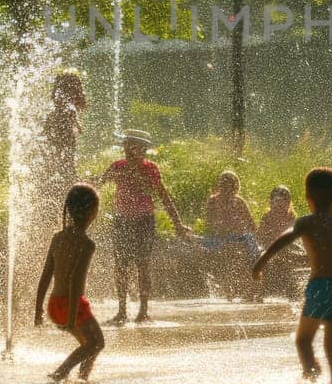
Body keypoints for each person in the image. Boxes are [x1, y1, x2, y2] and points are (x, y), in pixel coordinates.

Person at [252, 167, 332, 384]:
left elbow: (282, 241)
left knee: (303, 340)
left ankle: (311, 376)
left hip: (320, 286)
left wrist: (261, 262)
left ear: (307, 198)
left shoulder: (306, 222)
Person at [92, 130, 192, 323]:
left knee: (142, 265)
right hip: (121, 221)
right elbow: (97, 185)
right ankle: (121, 311)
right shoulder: (117, 166)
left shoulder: (150, 169)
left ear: (143, 150)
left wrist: (178, 224)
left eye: (133, 146)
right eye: (126, 145)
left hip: (144, 221)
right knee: (121, 265)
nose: (128, 149)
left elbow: (164, 197)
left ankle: (143, 311)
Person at [35, 183, 105, 382]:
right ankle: (61, 372)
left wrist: (38, 308)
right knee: (97, 343)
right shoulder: (86, 244)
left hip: (54, 304)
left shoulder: (58, 238)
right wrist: (73, 317)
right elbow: (75, 281)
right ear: (92, 212)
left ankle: (83, 379)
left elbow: (46, 274)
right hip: (71, 305)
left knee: (89, 344)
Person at [200, 169, 258, 299]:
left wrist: (251, 239)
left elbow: (251, 225)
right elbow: (209, 222)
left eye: (231, 187)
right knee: (224, 252)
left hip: (237, 237)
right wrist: (220, 230)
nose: (227, 191)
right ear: (220, 187)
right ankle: (228, 289)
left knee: (250, 250)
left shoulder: (239, 201)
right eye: (224, 186)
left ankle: (251, 288)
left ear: (236, 188)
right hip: (217, 237)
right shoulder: (213, 201)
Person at [42, 71, 87, 204]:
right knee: (66, 161)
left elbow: (52, 117)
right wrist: (77, 125)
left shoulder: (58, 98)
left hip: (56, 132)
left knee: (56, 158)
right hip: (64, 133)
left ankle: (59, 182)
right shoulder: (68, 102)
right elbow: (71, 112)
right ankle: (68, 184)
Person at [253, 185, 298, 300]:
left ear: (289, 203)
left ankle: (291, 291)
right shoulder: (267, 217)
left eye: (284, 202)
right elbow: (260, 236)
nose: (280, 205)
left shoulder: (291, 216)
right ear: (271, 203)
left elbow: (293, 235)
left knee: (287, 257)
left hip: (287, 247)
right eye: (277, 201)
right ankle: (261, 292)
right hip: (269, 246)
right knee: (267, 259)